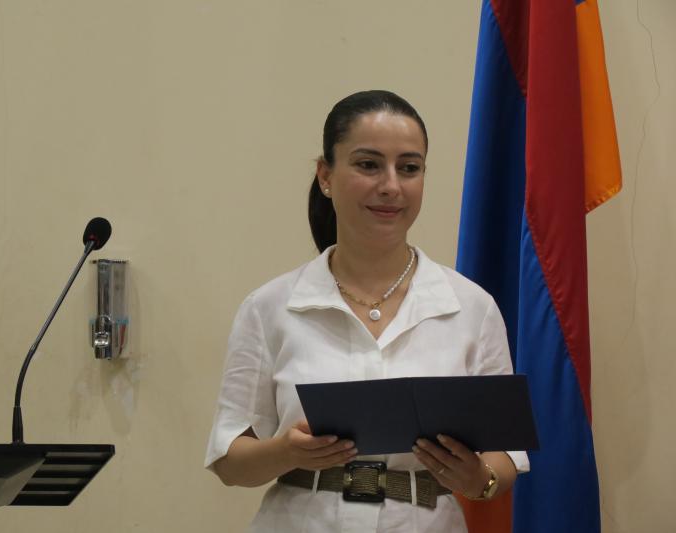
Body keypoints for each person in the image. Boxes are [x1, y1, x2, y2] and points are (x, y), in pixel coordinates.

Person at [204, 90, 529, 532]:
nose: (391, 186)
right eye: (369, 164)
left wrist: (479, 479)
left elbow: (505, 455)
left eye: (409, 168)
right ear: (325, 176)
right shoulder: (270, 307)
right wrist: (287, 452)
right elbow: (229, 461)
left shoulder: (471, 307)